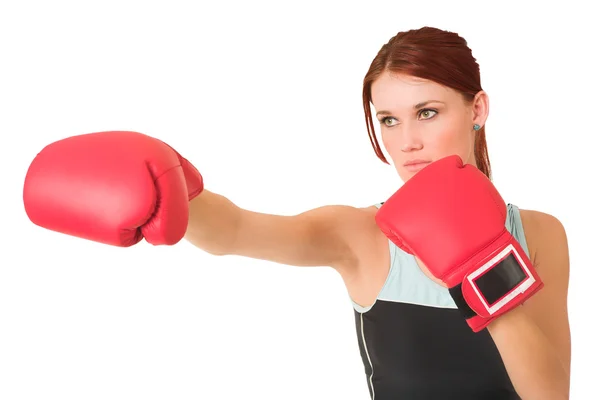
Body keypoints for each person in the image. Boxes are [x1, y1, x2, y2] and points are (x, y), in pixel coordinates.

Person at [23, 26, 571, 399]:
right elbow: (236, 230)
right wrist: (170, 181)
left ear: (477, 108)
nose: (407, 143)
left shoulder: (540, 233)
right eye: (388, 120)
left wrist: (482, 263)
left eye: (427, 113)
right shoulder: (361, 234)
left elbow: (549, 393)